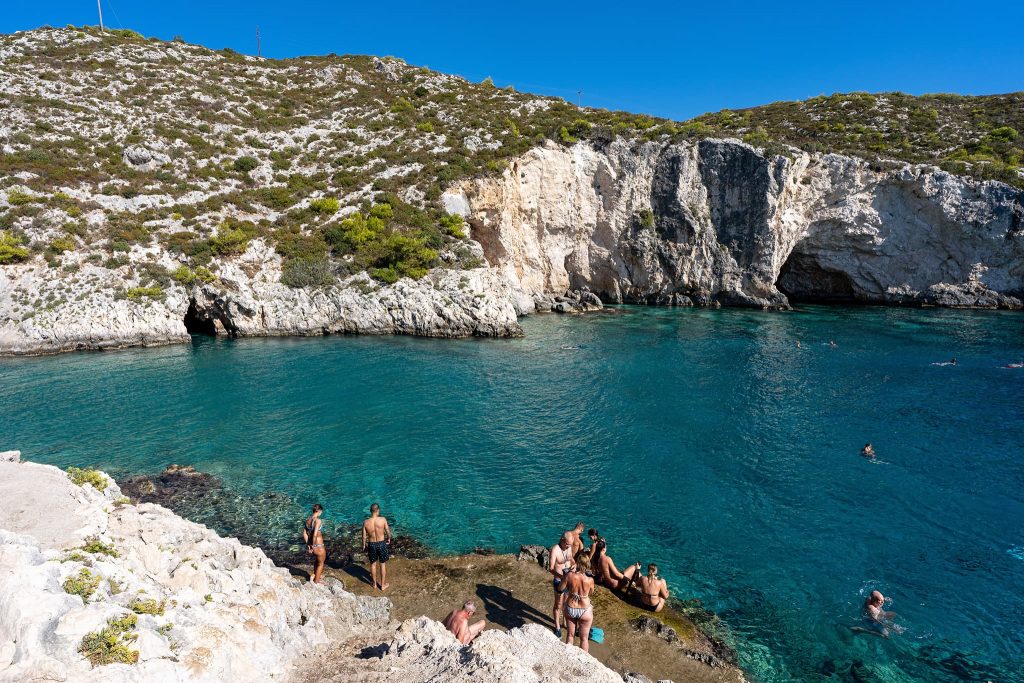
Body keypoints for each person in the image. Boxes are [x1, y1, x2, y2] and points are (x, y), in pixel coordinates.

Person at [558, 554, 596, 652]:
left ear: (577, 563)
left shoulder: (569, 575)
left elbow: (560, 588)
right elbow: (591, 592)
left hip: (571, 607)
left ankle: (568, 656)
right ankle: (583, 660)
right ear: (588, 564)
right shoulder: (590, 580)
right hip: (585, 610)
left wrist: (568, 575)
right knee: (584, 639)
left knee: (570, 635)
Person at [548, 531, 576, 637]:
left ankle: (564, 623)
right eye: (567, 544)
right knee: (558, 604)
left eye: (570, 544)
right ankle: (557, 627)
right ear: (562, 540)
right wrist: (562, 577)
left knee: (567, 603)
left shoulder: (569, 547)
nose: (568, 546)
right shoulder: (555, 550)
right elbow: (551, 568)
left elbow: (571, 559)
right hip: (559, 581)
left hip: (568, 580)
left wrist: (575, 564)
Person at [362, 503, 392, 591]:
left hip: (371, 544)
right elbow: (387, 530)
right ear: (378, 510)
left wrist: (364, 545)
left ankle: (374, 584)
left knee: (373, 564)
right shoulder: (383, 519)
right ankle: (382, 585)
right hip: (382, 543)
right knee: (382, 564)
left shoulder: (366, 522)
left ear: (370, 511)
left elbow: (364, 536)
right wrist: (389, 538)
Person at [302, 503, 327, 584]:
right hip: (319, 546)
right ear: (319, 511)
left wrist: (309, 545)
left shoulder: (307, 521)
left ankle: (316, 576)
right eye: (321, 512)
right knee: (321, 564)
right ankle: (316, 582)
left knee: (317, 561)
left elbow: (304, 534)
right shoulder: (318, 521)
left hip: (313, 546)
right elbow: (315, 534)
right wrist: (313, 546)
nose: (321, 513)